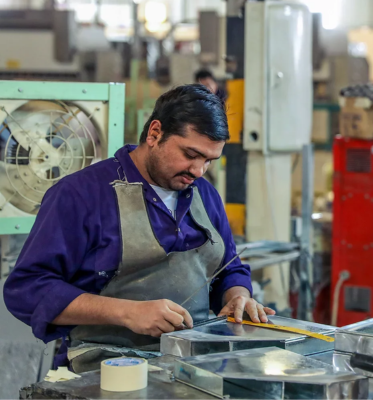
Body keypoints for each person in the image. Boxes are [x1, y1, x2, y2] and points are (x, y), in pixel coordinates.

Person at [3, 84, 275, 373]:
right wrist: (127, 312)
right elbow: (27, 289)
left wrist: (237, 297)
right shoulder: (80, 195)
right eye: (190, 154)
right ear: (155, 133)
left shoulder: (205, 194)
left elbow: (228, 268)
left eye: (208, 160)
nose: (198, 171)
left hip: (194, 367)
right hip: (104, 371)